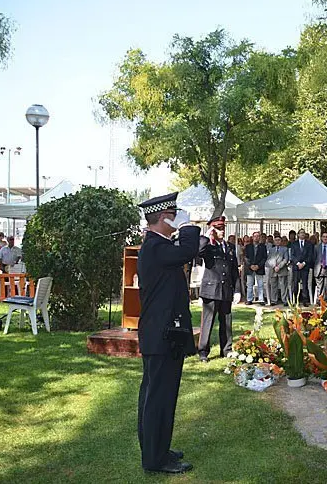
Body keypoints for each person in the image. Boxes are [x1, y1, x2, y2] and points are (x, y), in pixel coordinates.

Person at [136, 192, 198, 474]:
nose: (178, 218)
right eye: (175, 215)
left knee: (157, 396)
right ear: (164, 218)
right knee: (158, 398)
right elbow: (187, 251)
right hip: (162, 335)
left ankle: (157, 449)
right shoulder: (157, 247)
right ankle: (155, 459)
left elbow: (189, 252)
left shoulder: (157, 245)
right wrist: (187, 228)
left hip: (160, 334)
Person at [197, 216, 239, 363]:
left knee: (226, 321)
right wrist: (207, 236)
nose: (221, 231)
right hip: (211, 289)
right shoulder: (208, 246)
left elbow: (234, 270)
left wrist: (237, 289)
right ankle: (203, 351)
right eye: (218, 229)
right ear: (213, 229)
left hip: (226, 289)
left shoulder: (229, 247)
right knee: (208, 321)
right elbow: (198, 251)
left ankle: (226, 349)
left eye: (223, 228)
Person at [290, 229, 314, 306]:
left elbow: (310, 256)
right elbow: (292, 255)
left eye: (303, 233)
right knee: (295, 284)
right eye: (301, 233)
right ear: (298, 234)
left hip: (305, 267)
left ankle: (305, 300)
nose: (302, 234)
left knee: (305, 284)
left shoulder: (309, 244)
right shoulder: (294, 244)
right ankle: (295, 300)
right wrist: (298, 263)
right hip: (296, 267)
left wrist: (303, 263)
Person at [244, 232, 267, 305]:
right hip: (250, 268)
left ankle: (261, 299)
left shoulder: (263, 246)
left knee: (260, 285)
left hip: (259, 268)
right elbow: (245, 257)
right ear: (252, 237)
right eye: (255, 236)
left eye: (258, 236)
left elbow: (264, 257)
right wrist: (250, 265)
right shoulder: (248, 246)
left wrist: (258, 266)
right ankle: (249, 299)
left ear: (259, 237)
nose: (256, 237)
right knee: (249, 285)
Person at [266, 234, 289, 306]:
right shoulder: (271, 250)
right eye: (276, 240)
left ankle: (284, 300)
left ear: (281, 241)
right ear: (274, 241)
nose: (277, 241)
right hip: (273, 270)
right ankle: (274, 300)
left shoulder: (285, 249)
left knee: (283, 286)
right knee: (273, 285)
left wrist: (279, 266)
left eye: (279, 240)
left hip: (282, 269)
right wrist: (274, 267)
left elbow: (286, 259)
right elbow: (269, 259)